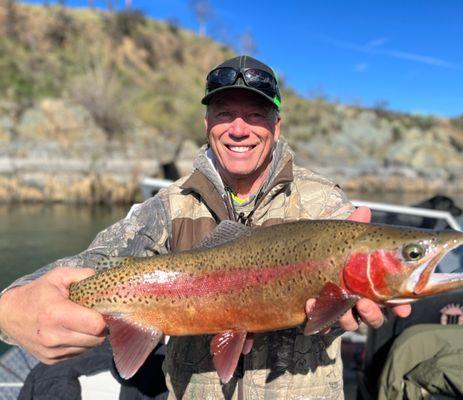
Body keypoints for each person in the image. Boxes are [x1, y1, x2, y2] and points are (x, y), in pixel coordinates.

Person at [0, 55, 410, 399]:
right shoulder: (168, 206)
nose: (238, 128)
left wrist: (362, 290)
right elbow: (93, 263)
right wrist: (11, 307)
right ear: (207, 122)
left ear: (276, 125)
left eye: (254, 115)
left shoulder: (327, 207)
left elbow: (365, 287)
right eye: (224, 113)